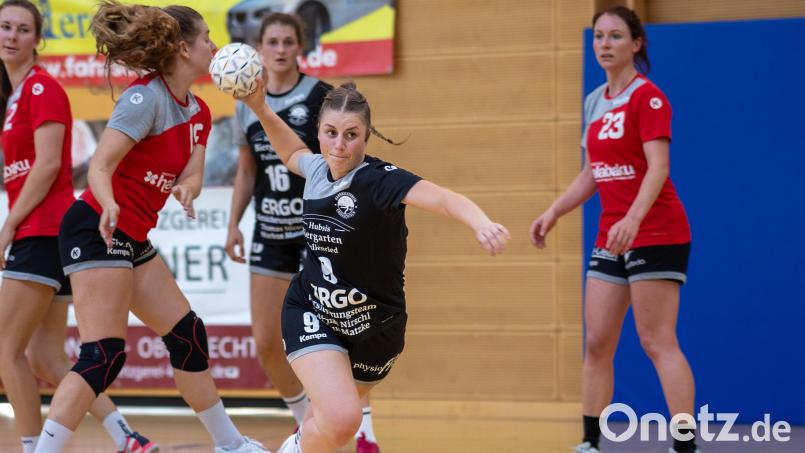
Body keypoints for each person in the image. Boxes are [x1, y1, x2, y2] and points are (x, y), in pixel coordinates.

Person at [32, 2, 266, 452]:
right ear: (183, 47)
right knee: (103, 356)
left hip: (132, 236)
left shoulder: (196, 112)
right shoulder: (146, 98)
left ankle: (231, 444)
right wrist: (110, 204)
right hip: (96, 227)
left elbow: (192, 172)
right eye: (205, 39)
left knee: (187, 336)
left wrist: (188, 189)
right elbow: (99, 165)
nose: (214, 47)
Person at [233, 79, 510, 453]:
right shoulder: (315, 170)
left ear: (366, 135)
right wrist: (260, 107)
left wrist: (481, 223)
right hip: (313, 308)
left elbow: (443, 198)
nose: (339, 145)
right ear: (319, 132)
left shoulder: (380, 182)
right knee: (344, 417)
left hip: (377, 325)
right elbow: (291, 152)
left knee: (331, 425)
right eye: (330, 133)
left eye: (351, 135)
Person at [528, 6, 698, 453]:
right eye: (599, 36)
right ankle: (590, 442)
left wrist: (634, 219)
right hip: (612, 233)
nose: (604, 44)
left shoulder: (650, 97)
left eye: (616, 36)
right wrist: (554, 211)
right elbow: (592, 172)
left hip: (657, 228)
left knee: (656, 340)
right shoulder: (594, 100)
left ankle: (685, 444)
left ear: (636, 43)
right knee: (598, 341)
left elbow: (658, 168)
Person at [0, 1, 155, 452]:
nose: (11, 35)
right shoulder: (16, 95)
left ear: (37, 39)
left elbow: (49, 166)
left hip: (42, 230)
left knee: (6, 351)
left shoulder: (41, 88)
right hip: (45, 230)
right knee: (46, 356)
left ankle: (33, 446)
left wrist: (8, 226)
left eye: (22, 29)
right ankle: (126, 437)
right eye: (4, 26)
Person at [224, 13, 382, 453]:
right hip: (270, 233)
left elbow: (341, 158)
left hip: (318, 234)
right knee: (266, 343)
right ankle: (307, 430)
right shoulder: (244, 104)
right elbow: (245, 169)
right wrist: (233, 223)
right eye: (271, 41)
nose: (279, 49)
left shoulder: (318, 96)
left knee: (342, 336)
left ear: (299, 46)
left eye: (287, 41)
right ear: (259, 48)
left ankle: (364, 431)